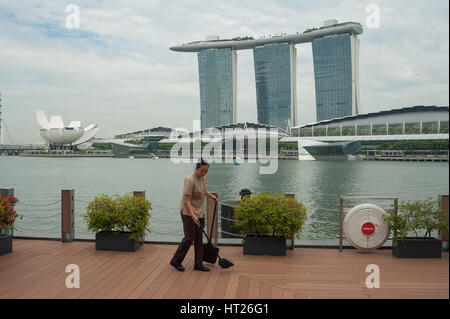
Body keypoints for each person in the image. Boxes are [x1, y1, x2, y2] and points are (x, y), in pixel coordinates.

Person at [170, 158, 218, 272]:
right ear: (197, 168)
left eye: (206, 171)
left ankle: (198, 264)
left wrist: (212, 197)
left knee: (199, 238)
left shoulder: (203, 177)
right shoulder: (189, 180)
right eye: (202, 171)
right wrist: (193, 216)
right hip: (187, 212)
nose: (204, 174)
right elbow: (187, 200)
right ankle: (175, 261)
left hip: (199, 212)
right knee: (189, 237)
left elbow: (203, 191)